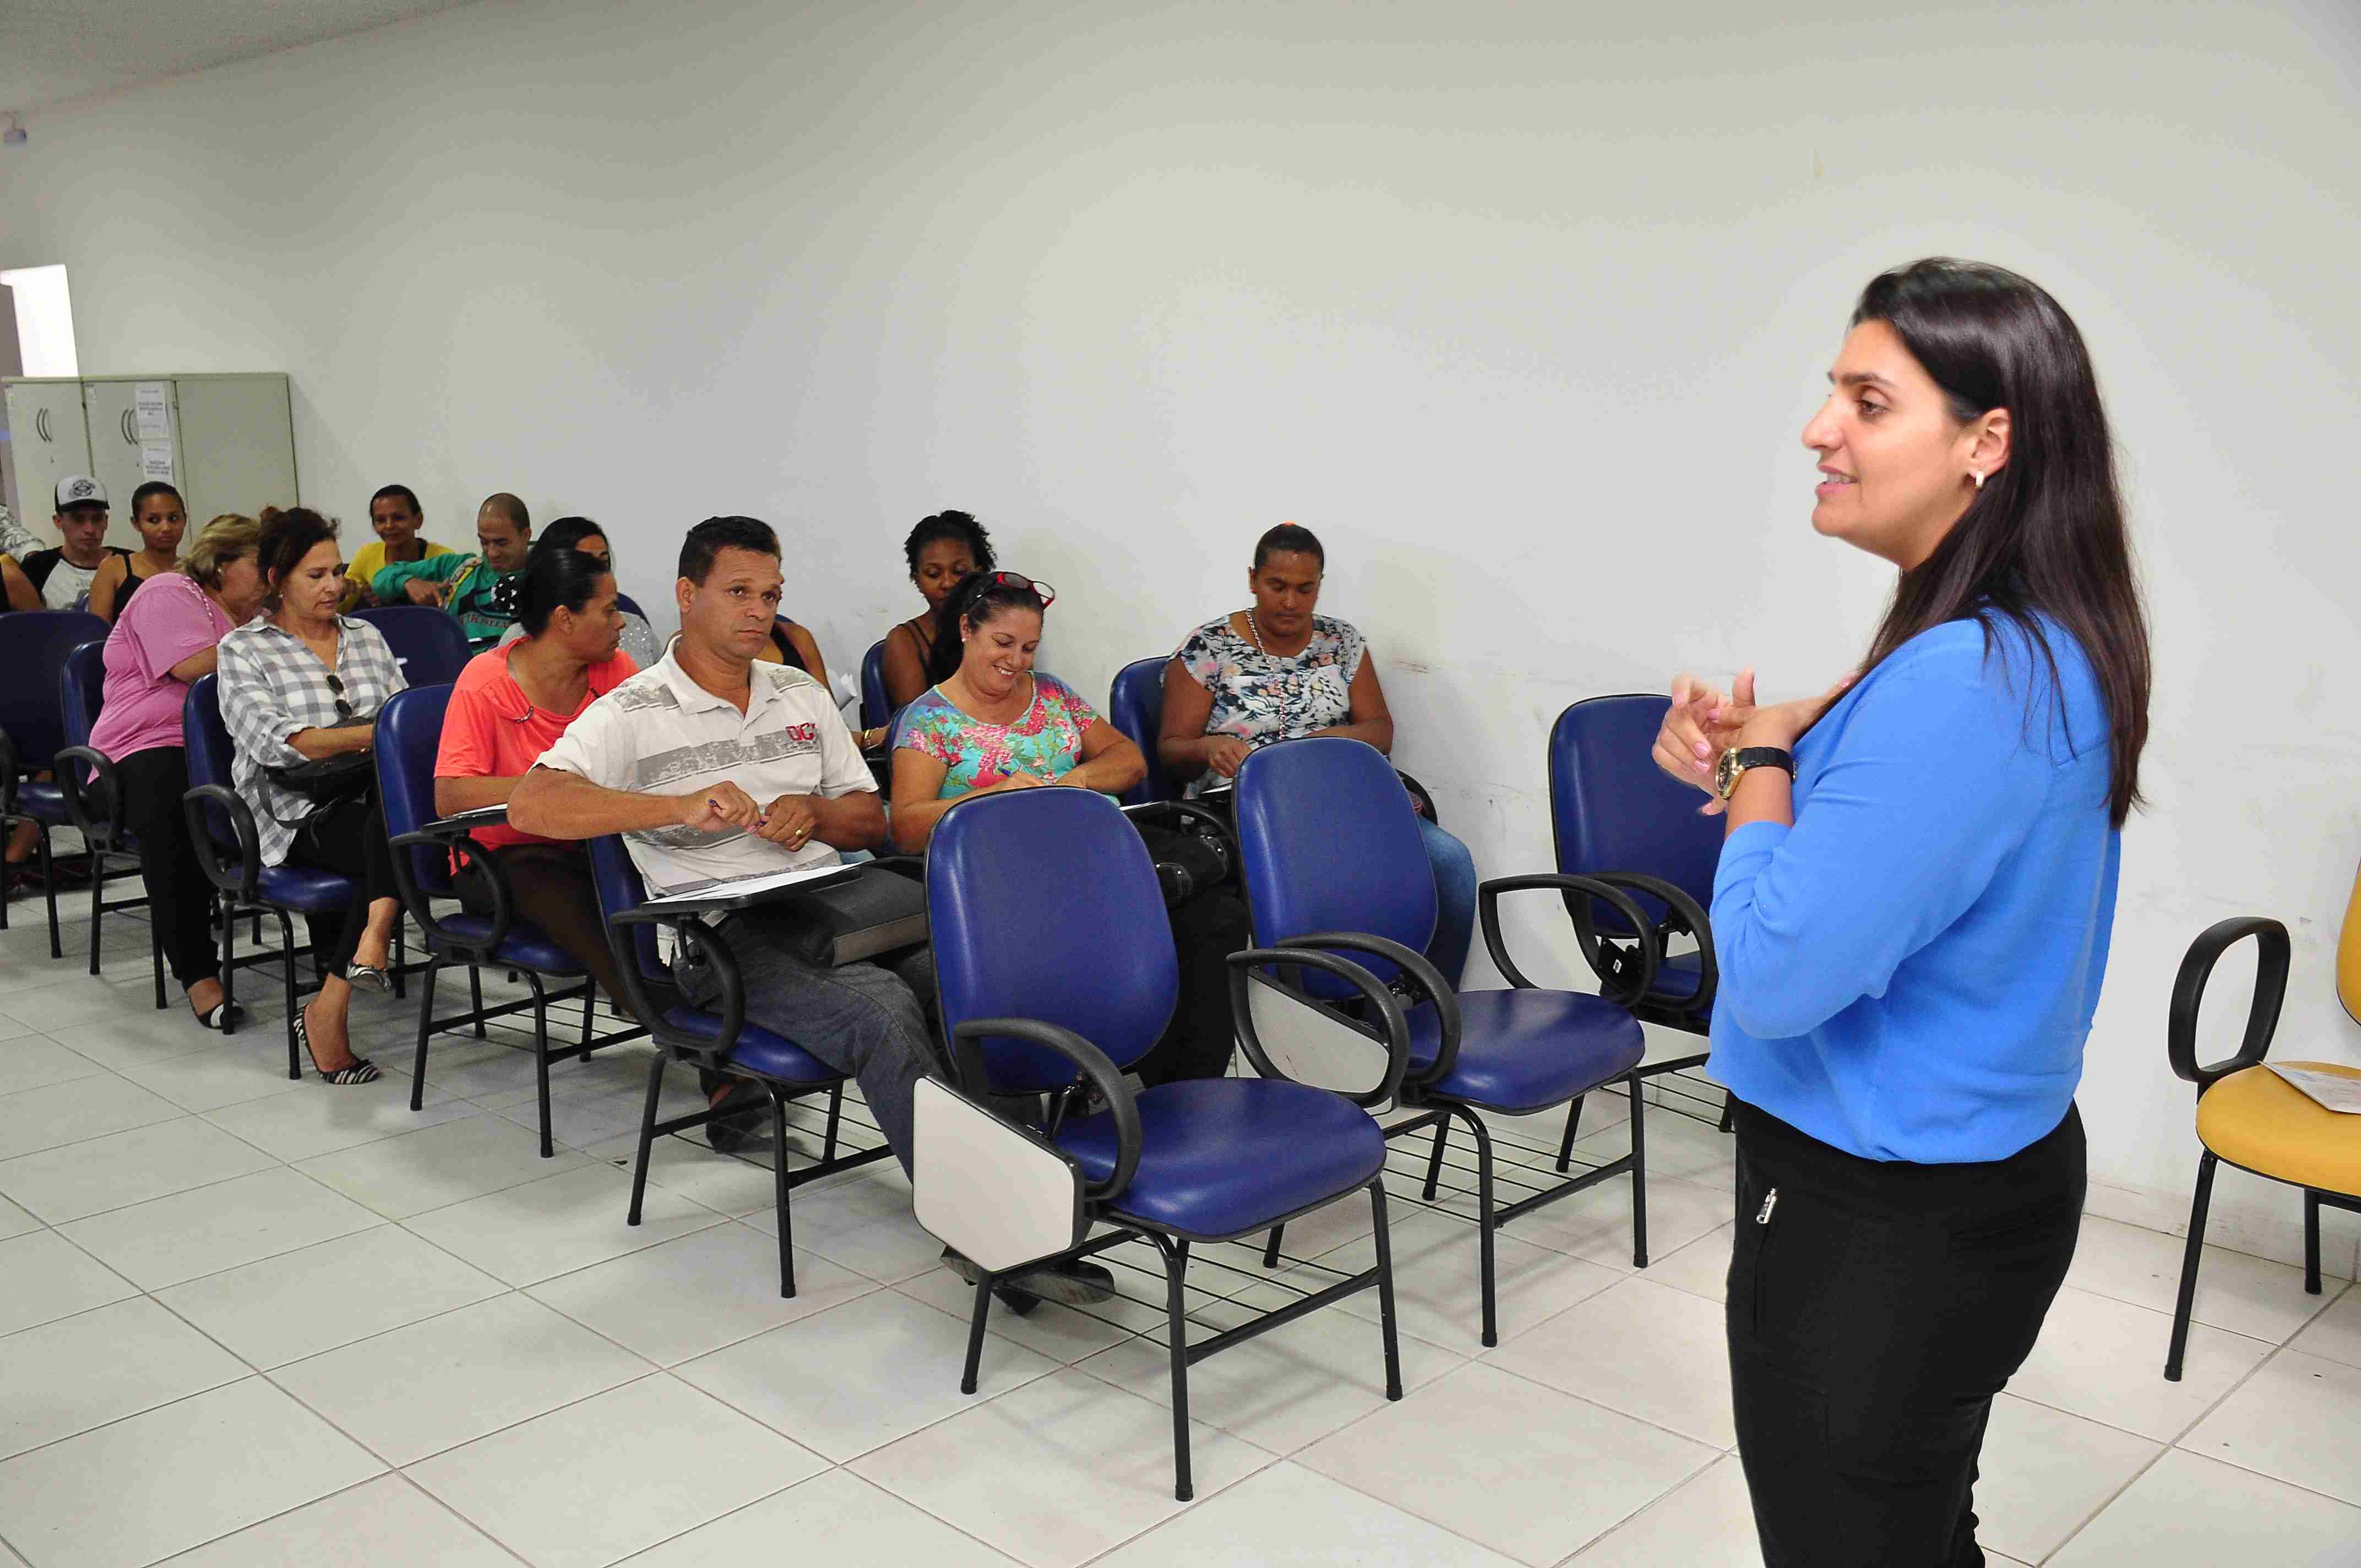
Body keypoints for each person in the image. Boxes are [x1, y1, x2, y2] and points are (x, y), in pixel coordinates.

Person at [1650, 258, 2150, 1567]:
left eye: (1866, 401)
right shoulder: (2041, 639)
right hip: (1975, 1189)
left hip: (1871, 1226)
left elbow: (1766, 970)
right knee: (1915, 1530)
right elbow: (1895, 822)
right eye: (1831, 395)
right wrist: (1767, 750)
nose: (1820, 429)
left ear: (1988, 439)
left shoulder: (1958, 679)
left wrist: (1760, 763)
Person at [508, 516, 1109, 1305]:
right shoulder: (635, 708)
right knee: (884, 1010)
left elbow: (870, 820)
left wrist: (814, 815)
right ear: (687, 595)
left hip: (836, 904)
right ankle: (991, 1230)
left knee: (975, 984)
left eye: (771, 595)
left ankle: (1035, 1196)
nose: (758, 612)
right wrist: (670, 805)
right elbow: (532, 803)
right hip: (723, 936)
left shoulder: (798, 693)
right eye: (738, 593)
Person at [893, 571, 1248, 1086]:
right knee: (1133, 911)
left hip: (1087, 848)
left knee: (1217, 916)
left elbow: (1128, 760)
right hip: (1006, 873)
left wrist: (1075, 780)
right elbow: (905, 826)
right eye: (1004, 643)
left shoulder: (1052, 694)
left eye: (1030, 647)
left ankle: (1183, 1088)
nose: (1017, 661)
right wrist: (993, 796)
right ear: (967, 630)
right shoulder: (929, 721)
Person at [1158, 522, 1479, 986]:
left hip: (1341, 796)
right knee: (1321, 879)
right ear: (1253, 580)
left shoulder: (1341, 642)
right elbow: (1171, 750)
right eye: (1278, 586)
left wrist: (1341, 736)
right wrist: (1210, 748)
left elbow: (1381, 730)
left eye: (1305, 589)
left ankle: (1431, 1007)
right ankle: (1319, 1008)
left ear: (1320, 587)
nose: (1291, 601)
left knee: (1449, 863)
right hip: (1253, 810)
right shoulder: (1208, 647)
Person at [218, 507, 408, 1085]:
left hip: (371, 794)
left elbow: (410, 722)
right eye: (315, 575)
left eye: (338, 570)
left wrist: (385, 737)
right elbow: (282, 746)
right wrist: (375, 734)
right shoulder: (244, 649)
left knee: (394, 823)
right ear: (278, 578)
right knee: (400, 836)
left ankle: (336, 993)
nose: (334, 585)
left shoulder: (366, 637)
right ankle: (361, 959)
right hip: (296, 810)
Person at [435, 541, 640, 1010]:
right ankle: (659, 1010)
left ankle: (696, 999)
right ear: (564, 618)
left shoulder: (616, 671)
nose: (621, 622)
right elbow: (450, 797)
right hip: (500, 858)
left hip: (590, 843)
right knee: (563, 888)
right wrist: (553, 789)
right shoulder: (485, 681)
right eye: (608, 611)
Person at [89, 514, 268, 1027]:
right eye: (261, 566)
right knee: (178, 801)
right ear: (221, 563)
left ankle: (335, 957)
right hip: (138, 752)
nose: (270, 580)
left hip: (220, 751)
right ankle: (198, 975)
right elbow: (192, 666)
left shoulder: (246, 623)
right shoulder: (169, 590)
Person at [864, 509, 994, 745]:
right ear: (917, 579)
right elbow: (920, 729)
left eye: (959, 572)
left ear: (980, 571)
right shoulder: (904, 641)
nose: (947, 583)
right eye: (934, 574)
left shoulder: (1003, 629)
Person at [371, 491, 531, 647]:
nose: (491, 552)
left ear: (526, 535)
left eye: (501, 543)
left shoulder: (546, 575)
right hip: (455, 668)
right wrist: (408, 583)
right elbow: (380, 579)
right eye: (484, 542)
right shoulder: (460, 568)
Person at [498, 517, 660, 667]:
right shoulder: (520, 640)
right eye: (586, 565)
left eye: (603, 562)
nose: (599, 573)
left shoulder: (635, 627)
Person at [22, 476, 130, 612]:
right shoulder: (37, 568)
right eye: (78, 520)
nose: (90, 529)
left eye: (97, 519)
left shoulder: (129, 563)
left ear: (106, 521)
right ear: (58, 521)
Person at [88, 481, 188, 623]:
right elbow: (97, 634)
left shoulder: (196, 571)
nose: (166, 528)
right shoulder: (113, 569)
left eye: (173, 518)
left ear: (185, 519)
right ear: (136, 523)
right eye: (154, 520)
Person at [342, 484, 452, 609]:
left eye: (398, 518)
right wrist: (340, 593)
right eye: (380, 520)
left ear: (418, 520)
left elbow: (458, 613)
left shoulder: (444, 559)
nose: (389, 526)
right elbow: (339, 611)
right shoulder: (367, 555)